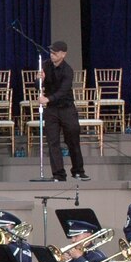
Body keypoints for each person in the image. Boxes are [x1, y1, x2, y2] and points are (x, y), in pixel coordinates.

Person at [38, 40, 89, 182]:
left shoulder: (68, 70)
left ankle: (78, 171)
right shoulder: (46, 65)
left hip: (66, 108)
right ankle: (59, 174)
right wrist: (39, 80)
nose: (52, 54)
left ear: (63, 54)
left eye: (55, 52)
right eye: (51, 52)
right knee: (53, 141)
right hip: (52, 111)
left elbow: (63, 90)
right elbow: (39, 85)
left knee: (72, 140)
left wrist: (48, 99)